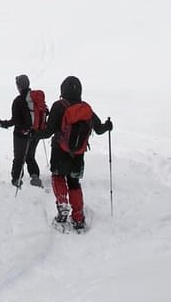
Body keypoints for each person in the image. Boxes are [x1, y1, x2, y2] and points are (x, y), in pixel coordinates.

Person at [33, 76, 112, 230]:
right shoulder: (86, 108)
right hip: (78, 154)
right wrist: (108, 126)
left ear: (63, 90)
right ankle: (78, 217)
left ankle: (62, 204)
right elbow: (99, 129)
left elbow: (48, 132)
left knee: (58, 176)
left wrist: (34, 133)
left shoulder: (59, 106)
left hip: (59, 150)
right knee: (74, 183)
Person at [0, 75, 43, 188]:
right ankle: (35, 176)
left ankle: (16, 180)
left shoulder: (18, 101)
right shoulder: (36, 99)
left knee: (19, 158)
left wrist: (1, 123)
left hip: (21, 135)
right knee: (30, 156)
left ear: (19, 86)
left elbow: (14, 121)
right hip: (36, 134)